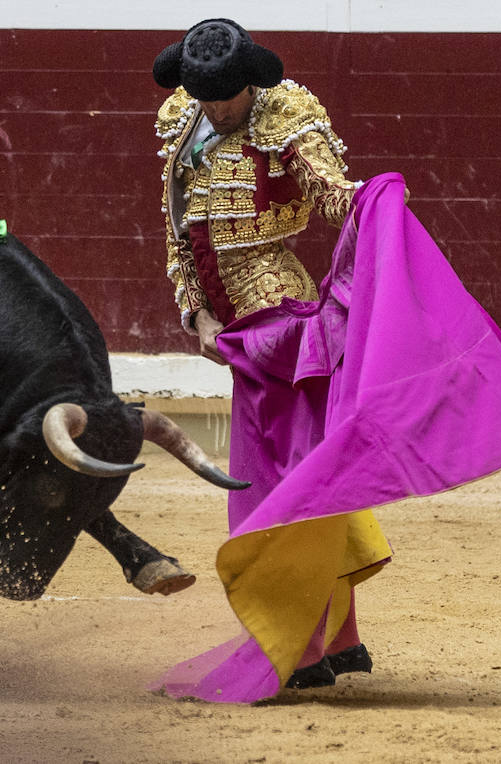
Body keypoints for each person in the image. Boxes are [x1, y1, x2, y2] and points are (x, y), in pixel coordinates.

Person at [151, 18, 386, 691]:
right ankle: (335, 638)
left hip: (279, 320)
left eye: (226, 99)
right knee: (299, 472)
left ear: (252, 82)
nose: (216, 109)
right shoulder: (184, 121)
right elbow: (176, 229)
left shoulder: (287, 115)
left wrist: (374, 200)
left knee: (279, 482)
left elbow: (330, 193)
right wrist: (194, 310)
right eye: (206, 98)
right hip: (233, 324)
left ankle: (304, 647)